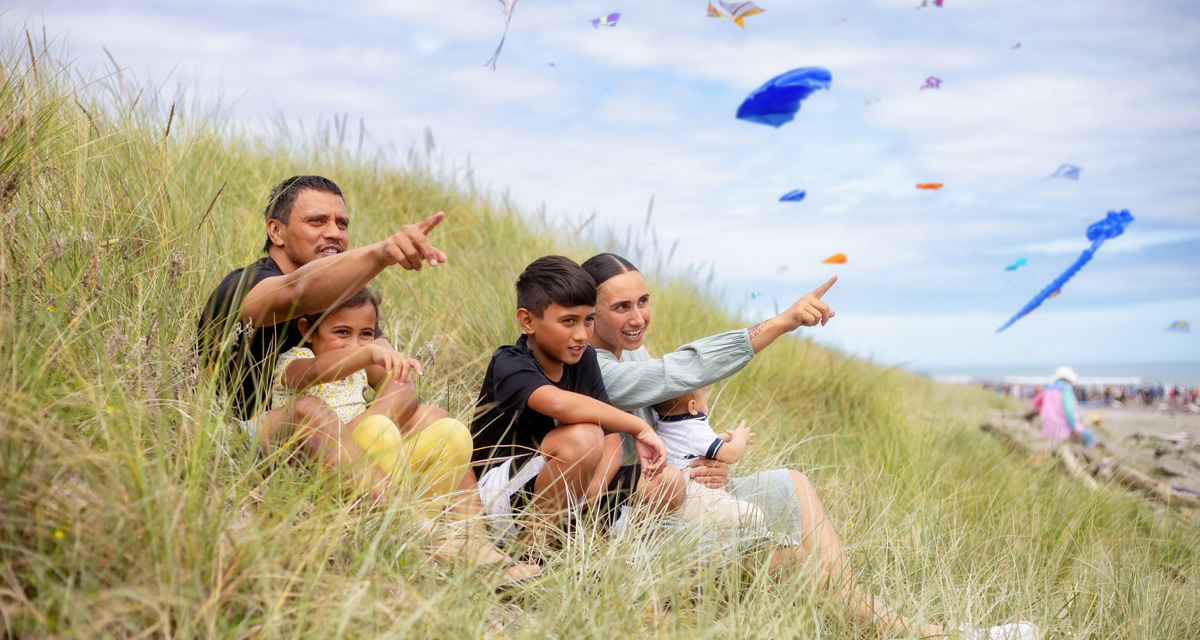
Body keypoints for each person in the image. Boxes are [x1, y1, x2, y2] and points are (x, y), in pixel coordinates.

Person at [581, 252, 1041, 640]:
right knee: (778, 551)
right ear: (589, 313)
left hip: (683, 494)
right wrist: (780, 323)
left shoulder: (630, 350)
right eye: (621, 307)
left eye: (643, 301)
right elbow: (678, 373)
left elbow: (667, 427)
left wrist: (708, 461)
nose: (638, 316)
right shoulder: (594, 366)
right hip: (639, 526)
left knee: (792, 485)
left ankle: (847, 608)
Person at [197, 175, 536, 586]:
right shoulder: (246, 285)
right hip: (244, 441)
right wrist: (381, 253)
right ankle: (424, 535)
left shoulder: (345, 302)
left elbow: (398, 378)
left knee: (430, 415)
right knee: (309, 410)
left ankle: (479, 547)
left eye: (342, 223)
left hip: (331, 442)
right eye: (317, 221)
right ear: (276, 231)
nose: (334, 232)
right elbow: (297, 294)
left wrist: (361, 428)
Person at [470, 255, 679, 551]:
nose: (581, 335)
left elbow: (611, 440)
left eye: (588, 320)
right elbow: (559, 405)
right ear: (527, 320)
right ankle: (534, 550)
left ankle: (603, 549)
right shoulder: (510, 363)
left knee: (668, 481)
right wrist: (638, 427)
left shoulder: (584, 359)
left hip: (570, 490)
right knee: (584, 437)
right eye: (568, 321)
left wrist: (593, 492)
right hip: (500, 496)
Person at [269, 287, 467, 501]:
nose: (355, 345)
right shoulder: (293, 362)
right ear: (307, 330)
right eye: (342, 332)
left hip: (369, 461)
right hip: (319, 468)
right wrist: (368, 353)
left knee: (452, 433)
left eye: (366, 334)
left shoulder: (360, 371)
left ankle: (419, 522)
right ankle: (392, 517)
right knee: (378, 428)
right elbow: (316, 370)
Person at [652, 387, 765, 529]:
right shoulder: (695, 429)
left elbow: (700, 443)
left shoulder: (663, 423)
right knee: (751, 516)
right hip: (696, 499)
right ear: (692, 406)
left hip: (677, 498)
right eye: (705, 399)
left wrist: (729, 437)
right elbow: (733, 454)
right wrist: (740, 437)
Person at [1032, 366, 1096, 449]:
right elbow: (1069, 411)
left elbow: (1036, 402)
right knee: (1090, 437)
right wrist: (1074, 427)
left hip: (1047, 429)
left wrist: (1044, 411)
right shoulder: (1066, 388)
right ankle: (1085, 458)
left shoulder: (1048, 388)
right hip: (1062, 429)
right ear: (1068, 379)